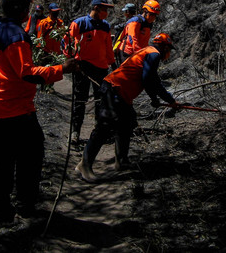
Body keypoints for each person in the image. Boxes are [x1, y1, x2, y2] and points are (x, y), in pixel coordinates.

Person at [0, 0, 78, 222]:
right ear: (22, 9)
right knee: (29, 157)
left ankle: (1, 210)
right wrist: (62, 69)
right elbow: (27, 73)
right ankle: (25, 205)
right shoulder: (16, 36)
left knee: (1, 159)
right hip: (15, 109)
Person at [75, 32, 179, 181]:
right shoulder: (154, 54)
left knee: (127, 122)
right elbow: (149, 79)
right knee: (104, 127)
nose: (168, 53)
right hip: (114, 90)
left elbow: (151, 79)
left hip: (121, 93)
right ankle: (84, 164)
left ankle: (121, 161)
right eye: (168, 49)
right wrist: (166, 99)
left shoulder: (148, 51)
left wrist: (159, 98)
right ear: (163, 47)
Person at [65, 0, 117, 144]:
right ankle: (75, 132)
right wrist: (71, 60)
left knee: (101, 101)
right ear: (95, 8)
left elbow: (108, 47)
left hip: (101, 68)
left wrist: (113, 65)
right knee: (80, 100)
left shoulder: (105, 26)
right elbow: (66, 42)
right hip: (82, 68)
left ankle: (98, 132)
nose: (106, 12)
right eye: (104, 9)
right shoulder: (79, 23)